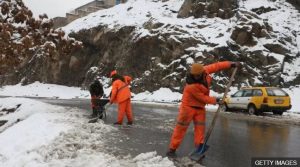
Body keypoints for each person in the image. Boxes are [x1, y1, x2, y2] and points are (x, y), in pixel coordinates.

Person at [166, 61, 241, 157]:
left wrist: (231, 64)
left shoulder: (205, 70)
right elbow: (202, 98)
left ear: (202, 72)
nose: (196, 77)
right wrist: (216, 100)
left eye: (198, 75)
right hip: (187, 107)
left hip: (200, 107)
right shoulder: (191, 86)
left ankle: (199, 150)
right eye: (195, 75)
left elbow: (217, 66)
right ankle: (172, 149)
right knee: (181, 128)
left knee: (200, 129)